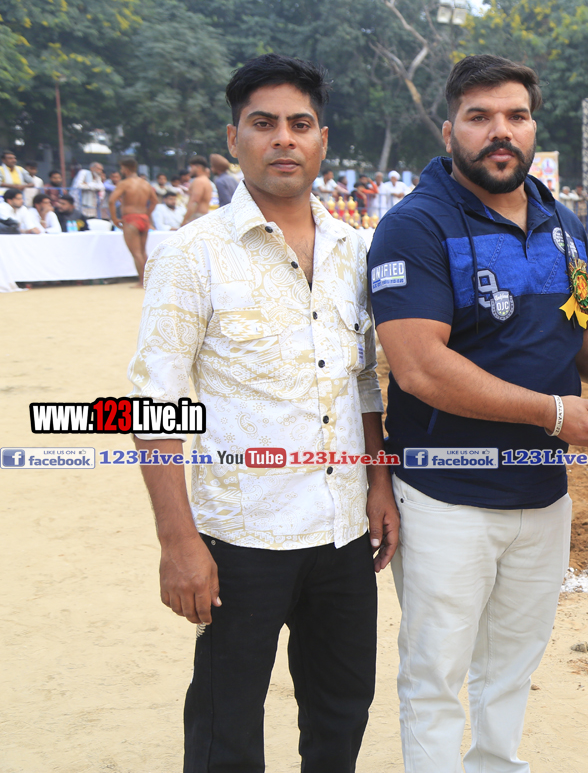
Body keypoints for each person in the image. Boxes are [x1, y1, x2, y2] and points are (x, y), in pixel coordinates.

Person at [368, 54, 588, 773]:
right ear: (449, 129)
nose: (501, 131)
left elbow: (578, 330)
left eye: (516, 116)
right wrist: (554, 416)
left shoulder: (562, 222)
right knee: (436, 675)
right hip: (444, 495)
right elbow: (420, 366)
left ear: (533, 127)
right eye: (480, 116)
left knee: (511, 668)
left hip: (543, 494)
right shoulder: (414, 226)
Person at [127, 53, 397, 772]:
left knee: (342, 709)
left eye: (299, 124)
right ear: (235, 137)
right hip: (241, 535)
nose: (283, 138)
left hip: (343, 530)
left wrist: (378, 482)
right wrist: (178, 541)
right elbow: (153, 404)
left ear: (322, 140)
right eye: (263, 123)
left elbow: (363, 381)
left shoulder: (355, 252)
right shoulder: (192, 255)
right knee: (227, 722)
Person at [109, 157, 158, 287]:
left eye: (122, 168)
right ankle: (149, 280)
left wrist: (114, 218)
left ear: (126, 169)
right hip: (143, 218)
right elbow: (155, 201)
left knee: (136, 253)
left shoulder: (124, 183)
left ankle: (142, 281)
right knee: (143, 251)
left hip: (130, 218)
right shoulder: (146, 184)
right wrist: (147, 214)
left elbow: (111, 200)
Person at [182, 156, 213, 225]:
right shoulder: (206, 181)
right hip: (202, 216)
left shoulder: (199, 181)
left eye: (191, 167)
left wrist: (185, 220)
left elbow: (194, 202)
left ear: (198, 168)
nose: (190, 170)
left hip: (197, 217)